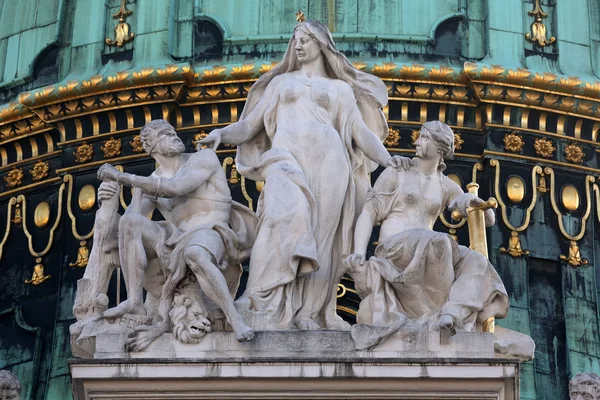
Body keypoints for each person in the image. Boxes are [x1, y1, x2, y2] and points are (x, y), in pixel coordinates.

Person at [200, 20, 409, 330]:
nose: (297, 46)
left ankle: (310, 312)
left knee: (325, 237)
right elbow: (249, 126)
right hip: (285, 161)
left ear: (321, 44)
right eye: (296, 40)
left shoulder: (340, 89)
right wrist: (221, 133)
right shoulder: (280, 84)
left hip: (330, 162)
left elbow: (360, 133)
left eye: (305, 40)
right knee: (277, 221)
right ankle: (259, 299)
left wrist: (389, 159)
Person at [346, 121, 508, 346]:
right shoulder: (398, 172)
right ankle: (437, 315)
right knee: (440, 242)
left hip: (428, 249)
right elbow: (368, 213)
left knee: (477, 261)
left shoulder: (444, 184)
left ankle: (451, 314)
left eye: (424, 138)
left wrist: (469, 200)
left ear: (439, 148)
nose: (417, 142)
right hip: (395, 248)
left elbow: (488, 220)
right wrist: (358, 252)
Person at [98, 120, 255, 349]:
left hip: (211, 232)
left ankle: (235, 319)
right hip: (176, 238)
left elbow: (177, 188)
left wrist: (123, 178)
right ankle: (134, 302)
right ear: (151, 147)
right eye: (165, 134)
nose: (174, 136)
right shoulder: (151, 181)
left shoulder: (203, 158)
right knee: (131, 223)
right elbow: (126, 228)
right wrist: (109, 200)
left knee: (195, 254)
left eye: (173, 132)